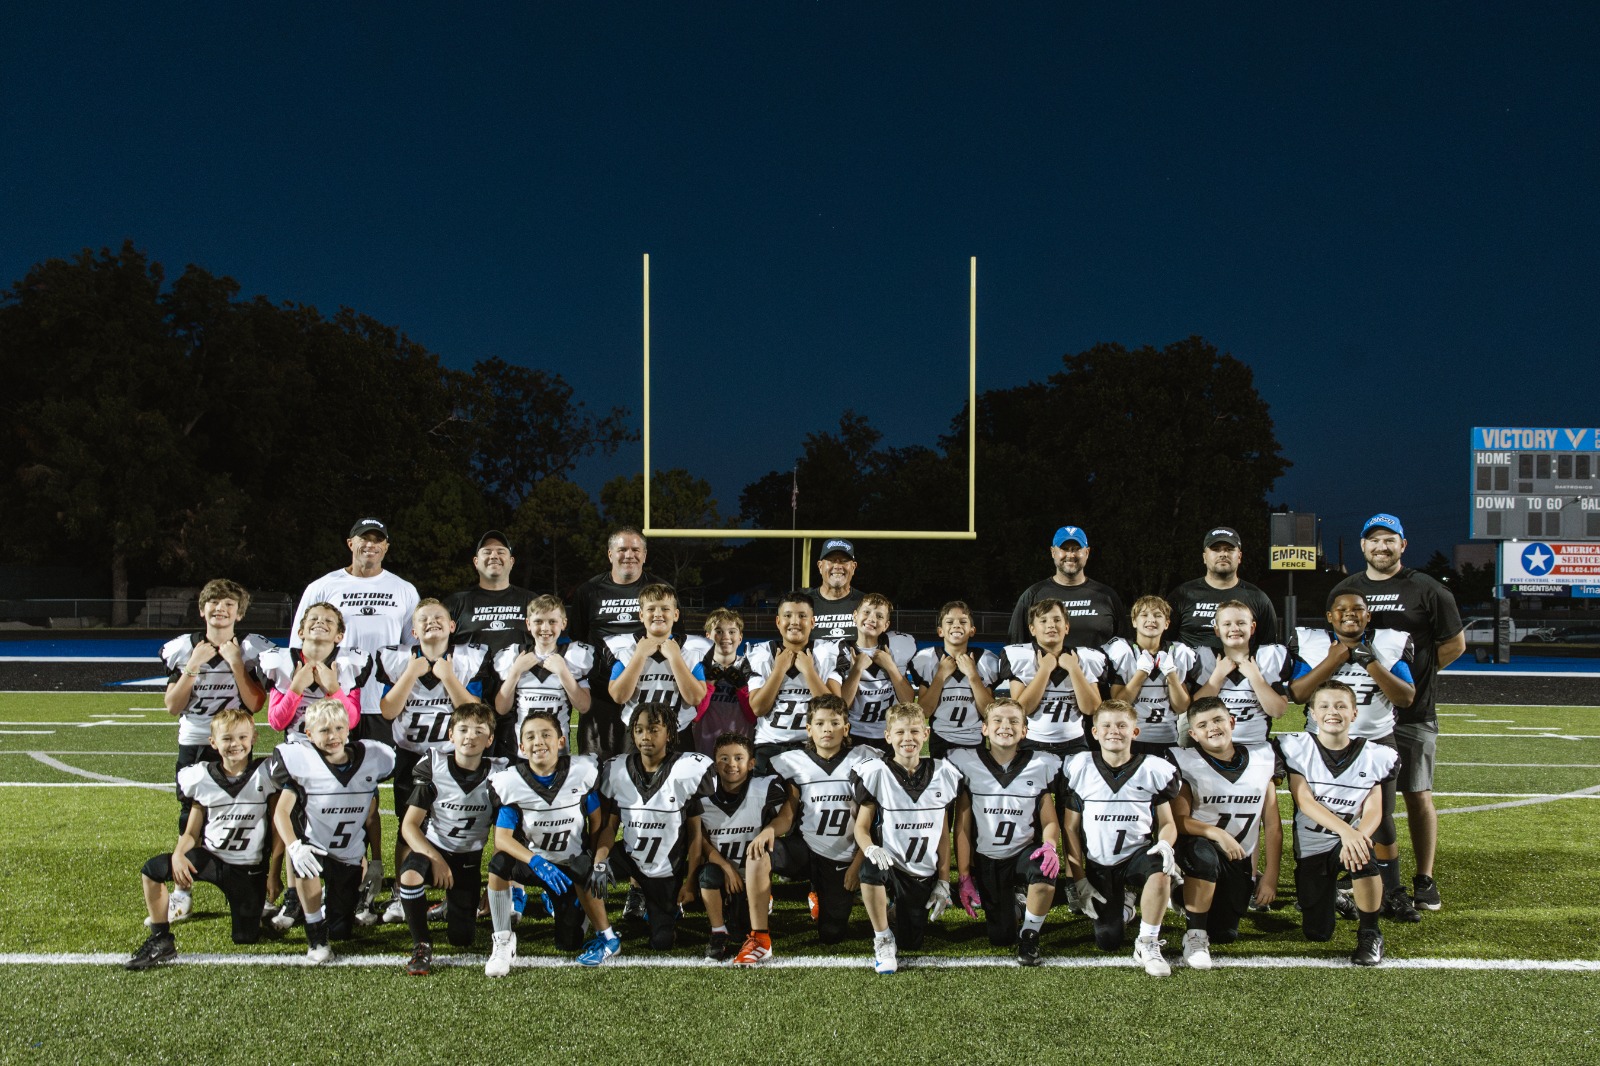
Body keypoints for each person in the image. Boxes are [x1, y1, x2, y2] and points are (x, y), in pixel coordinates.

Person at [1328, 513, 1465, 913]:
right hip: (1361, 716)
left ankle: (1424, 877)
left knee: (1417, 794)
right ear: (1362, 546)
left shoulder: (1427, 589)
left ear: (1403, 545)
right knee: (1357, 798)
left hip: (1411, 711)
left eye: (1390, 540)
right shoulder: (1345, 588)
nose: (1381, 547)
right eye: (1374, 541)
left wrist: (1413, 677)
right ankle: (1363, 865)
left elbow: (1454, 644)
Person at [1290, 592, 1418, 922]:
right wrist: (1334, 660)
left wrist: (1369, 661)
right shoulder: (1314, 644)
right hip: (1322, 745)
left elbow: (1405, 697)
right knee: (1317, 818)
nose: (1350, 615)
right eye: (1342, 610)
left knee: (1381, 818)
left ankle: (1392, 889)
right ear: (1329, 617)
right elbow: (1298, 693)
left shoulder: (1388, 644)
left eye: (1358, 610)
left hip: (1375, 741)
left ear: (1368, 616)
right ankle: (1320, 888)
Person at [125, 709, 279, 970]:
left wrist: (273, 873)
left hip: (249, 870)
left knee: (245, 938)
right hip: (212, 859)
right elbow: (192, 833)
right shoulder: (203, 777)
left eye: (242, 737)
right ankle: (161, 939)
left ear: (254, 738)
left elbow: (278, 829)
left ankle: (258, 914)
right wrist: (177, 855)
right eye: (227, 738)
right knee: (152, 870)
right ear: (213, 743)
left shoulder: (267, 773)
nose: (235, 744)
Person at [735, 694, 880, 964]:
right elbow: (788, 816)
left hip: (842, 857)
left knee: (832, 934)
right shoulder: (794, 761)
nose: (828, 729)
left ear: (846, 728)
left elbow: (870, 822)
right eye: (820, 723)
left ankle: (821, 893)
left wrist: (858, 863)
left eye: (835, 723)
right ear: (808, 729)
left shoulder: (863, 760)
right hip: (806, 849)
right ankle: (759, 937)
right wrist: (770, 830)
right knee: (758, 851)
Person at [158, 578, 271, 924]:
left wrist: (236, 663)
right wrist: (193, 665)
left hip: (236, 740)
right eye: (214, 603)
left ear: (239, 613)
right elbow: (172, 706)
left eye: (229, 605)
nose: (220, 609)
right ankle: (182, 892)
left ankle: (262, 888)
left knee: (249, 813)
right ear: (202, 609)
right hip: (195, 740)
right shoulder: (182, 648)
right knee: (189, 815)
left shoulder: (252, 649)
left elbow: (255, 704)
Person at [374, 599, 490, 923]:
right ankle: (401, 893)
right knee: (406, 825)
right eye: (423, 619)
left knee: (454, 824)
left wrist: (449, 678)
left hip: (454, 758)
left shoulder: (466, 659)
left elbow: (476, 711)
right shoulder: (399, 660)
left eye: (439, 617)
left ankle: (457, 888)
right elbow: (388, 710)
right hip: (411, 756)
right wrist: (411, 673)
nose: (431, 622)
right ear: (413, 630)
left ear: (452, 626)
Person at [582, 705, 716, 964]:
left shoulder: (686, 770)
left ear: (669, 734)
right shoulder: (618, 770)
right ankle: (605, 933)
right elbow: (610, 826)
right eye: (640, 730)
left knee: (662, 942)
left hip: (665, 870)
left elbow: (695, 835)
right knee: (582, 868)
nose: (646, 737)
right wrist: (600, 860)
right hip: (630, 856)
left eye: (654, 730)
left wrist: (689, 882)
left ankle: (660, 909)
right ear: (632, 733)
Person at [1277, 680, 1397, 966]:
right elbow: (1304, 800)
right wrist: (1347, 832)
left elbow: (1374, 810)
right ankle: (1335, 898)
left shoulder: (1375, 755)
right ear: (1313, 714)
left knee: (1363, 857)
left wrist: (1358, 837)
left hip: (1348, 842)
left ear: (1355, 713)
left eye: (1341, 706)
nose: (1333, 711)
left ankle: (1370, 932)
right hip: (1312, 847)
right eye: (1325, 706)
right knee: (1317, 933)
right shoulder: (1298, 747)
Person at [1059, 699, 1182, 977]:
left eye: (1122, 725)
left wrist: (1164, 843)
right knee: (1108, 940)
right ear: (1094, 732)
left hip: (1138, 855)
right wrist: (1078, 877)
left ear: (1135, 732)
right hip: (1100, 861)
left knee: (1160, 870)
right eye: (1107, 725)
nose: (1114, 731)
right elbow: (1070, 828)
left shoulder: (1153, 768)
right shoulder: (1080, 766)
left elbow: (1167, 822)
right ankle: (1127, 906)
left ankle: (1148, 942)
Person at [268, 698, 396, 963]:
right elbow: (281, 812)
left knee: (341, 930)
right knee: (307, 864)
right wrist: (294, 846)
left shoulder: (371, 760)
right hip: (314, 848)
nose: (333, 736)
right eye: (324, 730)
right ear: (309, 734)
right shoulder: (302, 762)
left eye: (338, 728)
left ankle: (324, 904)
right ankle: (315, 935)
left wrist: (377, 860)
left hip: (348, 854)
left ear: (348, 729)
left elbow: (372, 817)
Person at [483, 711, 607, 976]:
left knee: (569, 943)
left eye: (545, 734)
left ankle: (578, 909)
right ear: (522, 747)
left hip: (569, 867)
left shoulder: (582, 771)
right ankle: (503, 940)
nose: (538, 741)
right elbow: (502, 838)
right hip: (533, 863)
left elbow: (597, 823)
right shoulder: (511, 781)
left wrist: (592, 863)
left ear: (561, 741)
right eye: (530, 736)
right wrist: (534, 860)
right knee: (498, 863)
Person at [1170, 696, 1283, 970]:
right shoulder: (1185, 760)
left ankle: (1180, 895)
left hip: (1237, 857)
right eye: (1203, 724)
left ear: (1232, 722)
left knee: (1225, 933)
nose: (1213, 728)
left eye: (1218, 720)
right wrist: (1217, 834)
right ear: (1193, 734)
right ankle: (1194, 936)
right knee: (1203, 856)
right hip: (1199, 847)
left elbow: (1272, 822)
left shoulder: (1263, 756)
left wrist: (1269, 875)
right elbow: (1179, 820)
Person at [947, 697, 1062, 965]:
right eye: (997, 720)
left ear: (1025, 731)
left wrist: (1050, 846)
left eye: (1013, 721)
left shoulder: (1040, 763)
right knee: (1000, 936)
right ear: (984, 728)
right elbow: (961, 826)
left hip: (1024, 852)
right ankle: (1018, 903)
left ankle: (1031, 934)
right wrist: (964, 875)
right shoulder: (966, 762)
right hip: (988, 858)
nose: (1005, 726)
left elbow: (1050, 820)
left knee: (1043, 868)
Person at [393, 701, 504, 974]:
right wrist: (436, 859)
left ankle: (449, 906)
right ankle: (421, 944)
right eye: (463, 729)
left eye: (479, 731)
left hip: (468, 858)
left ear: (490, 739)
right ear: (451, 734)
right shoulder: (434, 766)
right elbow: (409, 826)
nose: (470, 736)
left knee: (462, 939)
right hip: (433, 851)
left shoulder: (500, 775)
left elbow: (504, 836)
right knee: (410, 874)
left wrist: (497, 885)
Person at [851, 703, 961, 975]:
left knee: (912, 941)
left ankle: (893, 911)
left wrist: (944, 880)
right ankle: (882, 939)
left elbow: (943, 834)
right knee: (871, 868)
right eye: (900, 732)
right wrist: (870, 849)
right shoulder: (877, 772)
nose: (907, 738)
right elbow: (861, 828)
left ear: (926, 733)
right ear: (888, 736)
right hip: (891, 864)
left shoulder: (944, 773)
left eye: (914, 731)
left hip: (922, 871)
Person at [290, 517, 420, 743]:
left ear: (386, 547)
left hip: (381, 700)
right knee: (328, 767)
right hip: (331, 697)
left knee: (374, 772)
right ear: (350, 543)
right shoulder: (322, 587)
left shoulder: (404, 590)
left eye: (378, 540)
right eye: (364, 538)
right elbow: (297, 644)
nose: (371, 545)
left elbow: (414, 648)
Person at [568, 527, 673, 760]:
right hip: (600, 696)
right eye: (622, 549)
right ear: (610, 554)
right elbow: (579, 637)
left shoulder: (662, 590)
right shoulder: (589, 591)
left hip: (645, 696)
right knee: (596, 767)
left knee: (640, 769)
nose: (629, 555)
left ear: (645, 555)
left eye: (636, 549)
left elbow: (674, 638)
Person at [693, 732, 789, 961]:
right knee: (707, 875)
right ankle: (718, 932)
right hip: (724, 875)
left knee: (745, 925)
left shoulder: (765, 788)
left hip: (755, 873)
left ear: (752, 763)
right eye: (724, 758)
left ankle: (766, 897)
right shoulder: (703, 796)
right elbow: (702, 841)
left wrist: (770, 830)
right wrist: (726, 868)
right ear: (715, 763)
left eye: (738, 758)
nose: (731, 764)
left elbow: (785, 820)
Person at [444, 531, 534, 759]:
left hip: (517, 704)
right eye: (487, 552)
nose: (494, 556)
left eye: (501, 552)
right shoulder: (456, 603)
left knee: (515, 775)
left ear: (512, 562)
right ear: (476, 562)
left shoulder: (531, 601)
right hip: (469, 705)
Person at [745, 591, 843, 771]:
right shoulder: (762, 653)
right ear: (778, 621)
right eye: (788, 615)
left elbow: (835, 709)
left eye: (802, 616)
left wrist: (809, 671)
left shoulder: (826, 652)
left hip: (814, 746)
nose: (795, 622)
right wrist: (779, 670)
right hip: (769, 744)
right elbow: (758, 708)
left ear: (812, 622)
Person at [998, 599, 1109, 756]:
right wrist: (1044, 669)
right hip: (1033, 743)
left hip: (1075, 744)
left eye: (1057, 620)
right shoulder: (1023, 658)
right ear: (1032, 629)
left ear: (1066, 627)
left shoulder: (1083, 658)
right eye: (1043, 621)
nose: (1051, 625)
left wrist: (1074, 668)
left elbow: (1091, 708)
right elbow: (1021, 710)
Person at [607, 583, 709, 751]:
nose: (658, 614)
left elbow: (695, 698)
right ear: (641, 615)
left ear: (676, 615)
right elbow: (619, 696)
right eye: (651, 609)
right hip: (636, 735)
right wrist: (639, 655)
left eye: (665, 609)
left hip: (678, 734)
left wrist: (675, 657)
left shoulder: (689, 650)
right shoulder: (628, 649)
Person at [1189, 601, 1292, 750]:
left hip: (1257, 747)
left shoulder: (1266, 658)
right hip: (1213, 749)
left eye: (1241, 623)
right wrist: (1217, 677)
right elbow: (1194, 711)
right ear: (1217, 630)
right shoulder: (1206, 659)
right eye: (1227, 624)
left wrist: (1256, 678)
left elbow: (1277, 711)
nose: (1234, 628)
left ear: (1252, 627)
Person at [1007, 525, 1129, 648]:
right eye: (1064, 549)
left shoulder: (1107, 596)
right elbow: (1014, 650)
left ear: (1087, 553)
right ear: (1053, 552)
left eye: (1076, 549)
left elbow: (1124, 648)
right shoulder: (1032, 595)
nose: (1070, 555)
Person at [1103, 595, 1195, 758]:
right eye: (1144, 615)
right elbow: (1118, 705)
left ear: (1166, 623)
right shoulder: (1123, 651)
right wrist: (1141, 673)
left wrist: (1172, 675)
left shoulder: (1177, 652)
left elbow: (1181, 707)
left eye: (1158, 615)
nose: (1151, 620)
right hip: (1129, 741)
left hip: (1167, 738)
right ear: (1134, 622)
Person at [493, 594, 593, 744]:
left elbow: (583, 706)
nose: (545, 628)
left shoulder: (573, 656)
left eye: (552, 621)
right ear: (528, 624)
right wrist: (515, 672)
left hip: (558, 749)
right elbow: (501, 709)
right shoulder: (515, 657)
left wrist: (563, 672)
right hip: (524, 749)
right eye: (538, 621)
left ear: (563, 623)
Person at [910, 599, 1000, 759]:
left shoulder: (984, 660)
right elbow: (924, 711)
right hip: (941, 741)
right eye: (950, 621)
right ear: (940, 631)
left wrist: (973, 676)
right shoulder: (928, 659)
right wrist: (940, 676)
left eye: (963, 621)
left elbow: (989, 713)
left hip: (975, 741)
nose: (956, 625)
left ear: (972, 630)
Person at [1167, 527, 1280, 649]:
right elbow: (1164, 642)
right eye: (1216, 549)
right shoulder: (1182, 595)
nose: (1223, 554)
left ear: (1240, 556)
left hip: (1241, 667)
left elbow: (1268, 649)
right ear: (1204, 557)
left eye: (1229, 549)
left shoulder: (1258, 598)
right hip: (1193, 668)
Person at [838, 593, 917, 754]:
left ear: (886, 625)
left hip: (889, 734)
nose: (872, 619)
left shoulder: (897, 647)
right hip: (853, 733)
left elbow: (908, 700)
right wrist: (857, 670)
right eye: (866, 612)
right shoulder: (840, 651)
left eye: (879, 616)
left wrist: (891, 667)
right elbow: (841, 706)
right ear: (855, 616)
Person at [691, 608, 754, 756]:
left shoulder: (751, 668)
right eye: (718, 631)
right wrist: (709, 683)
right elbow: (694, 716)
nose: (725, 636)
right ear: (708, 637)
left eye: (732, 632)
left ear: (740, 637)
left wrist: (741, 688)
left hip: (740, 753)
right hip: (705, 750)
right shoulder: (697, 668)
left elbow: (754, 716)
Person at [804, 538, 866, 643]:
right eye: (831, 560)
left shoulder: (866, 603)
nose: (837, 566)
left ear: (853, 567)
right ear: (820, 566)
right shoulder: (804, 603)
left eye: (844, 561)